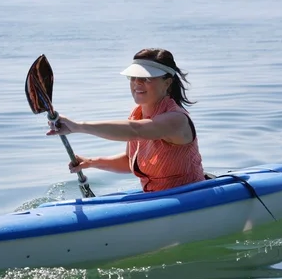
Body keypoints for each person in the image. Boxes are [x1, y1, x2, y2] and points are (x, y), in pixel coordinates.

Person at [46, 48, 205, 192]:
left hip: (192, 197)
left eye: (147, 78)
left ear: (168, 82)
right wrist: (91, 162)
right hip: (156, 198)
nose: (137, 82)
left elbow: (136, 130)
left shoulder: (176, 120)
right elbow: (129, 160)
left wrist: (77, 127)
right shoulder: (137, 114)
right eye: (133, 77)